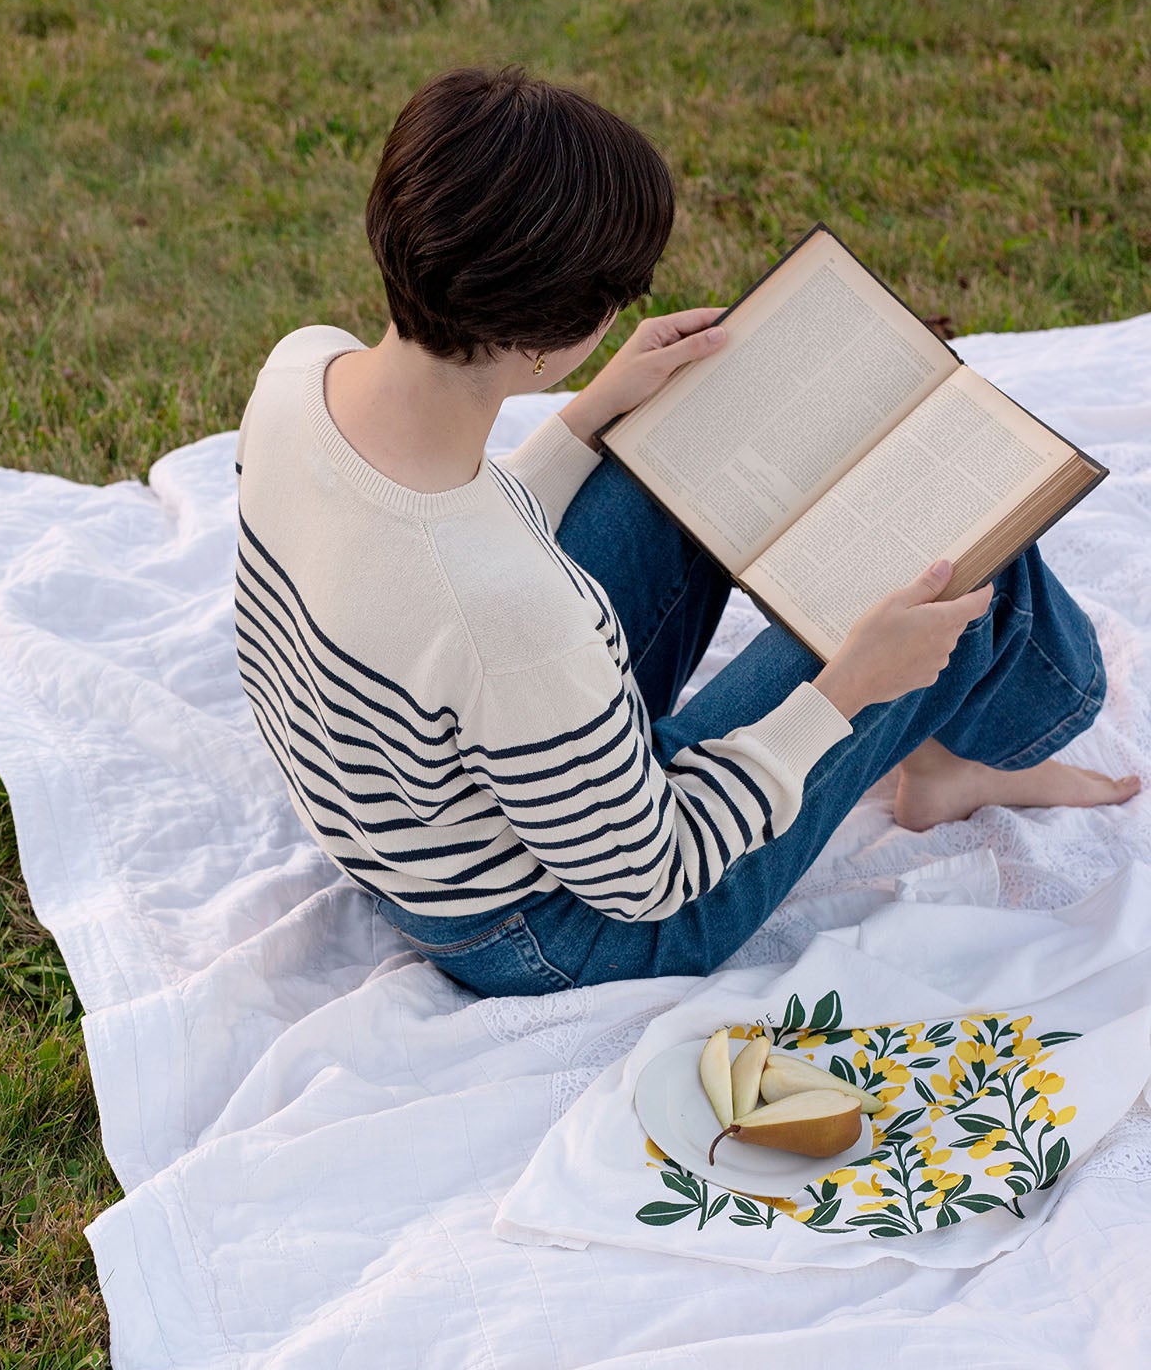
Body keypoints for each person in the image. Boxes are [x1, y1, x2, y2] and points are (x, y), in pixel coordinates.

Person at [233, 66, 1138, 996]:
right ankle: (976, 751)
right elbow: (653, 877)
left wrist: (592, 415)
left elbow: (427, 551)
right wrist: (848, 692)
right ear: (551, 335)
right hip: (553, 928)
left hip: (420, 815)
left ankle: (933, 747)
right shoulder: (515, 615)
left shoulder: (300, 371)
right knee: (965, 565)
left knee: (672, 454)